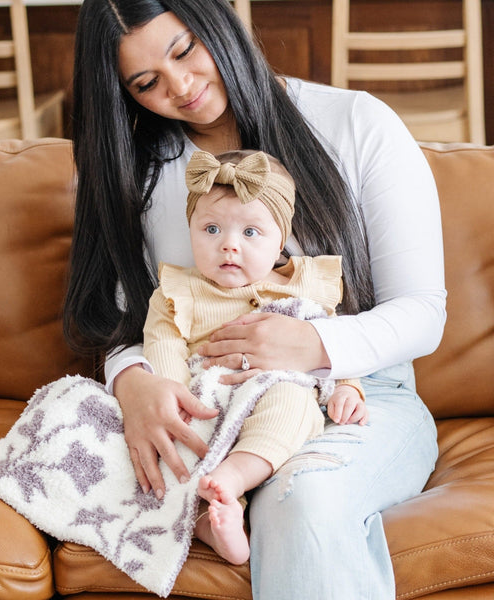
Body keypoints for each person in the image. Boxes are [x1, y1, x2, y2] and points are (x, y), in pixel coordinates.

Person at [64, 0, 445, 597]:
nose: (182, 88)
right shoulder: (130, 171)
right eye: (146, 83)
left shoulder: (354, 122)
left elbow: (423, 310)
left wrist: (314, 343)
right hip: (208, 406)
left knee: (306, 500)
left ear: (219, 23)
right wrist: (132, 380)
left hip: (360, 398)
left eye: (186, 50)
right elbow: (121, 321)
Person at [144, 148, 368, 565]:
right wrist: (177, 396)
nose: (229, 246)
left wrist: (350, 388)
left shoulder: (301, 287)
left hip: (273, 390)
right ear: (190, 229)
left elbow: (332, 342)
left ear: (280, 241)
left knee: (291, 401)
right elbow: (163, 344)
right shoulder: (177, 292)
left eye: (250, 233)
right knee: (174, 442)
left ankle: (232, 480)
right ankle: (207, 520)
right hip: (205, 396)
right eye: (211, 229)